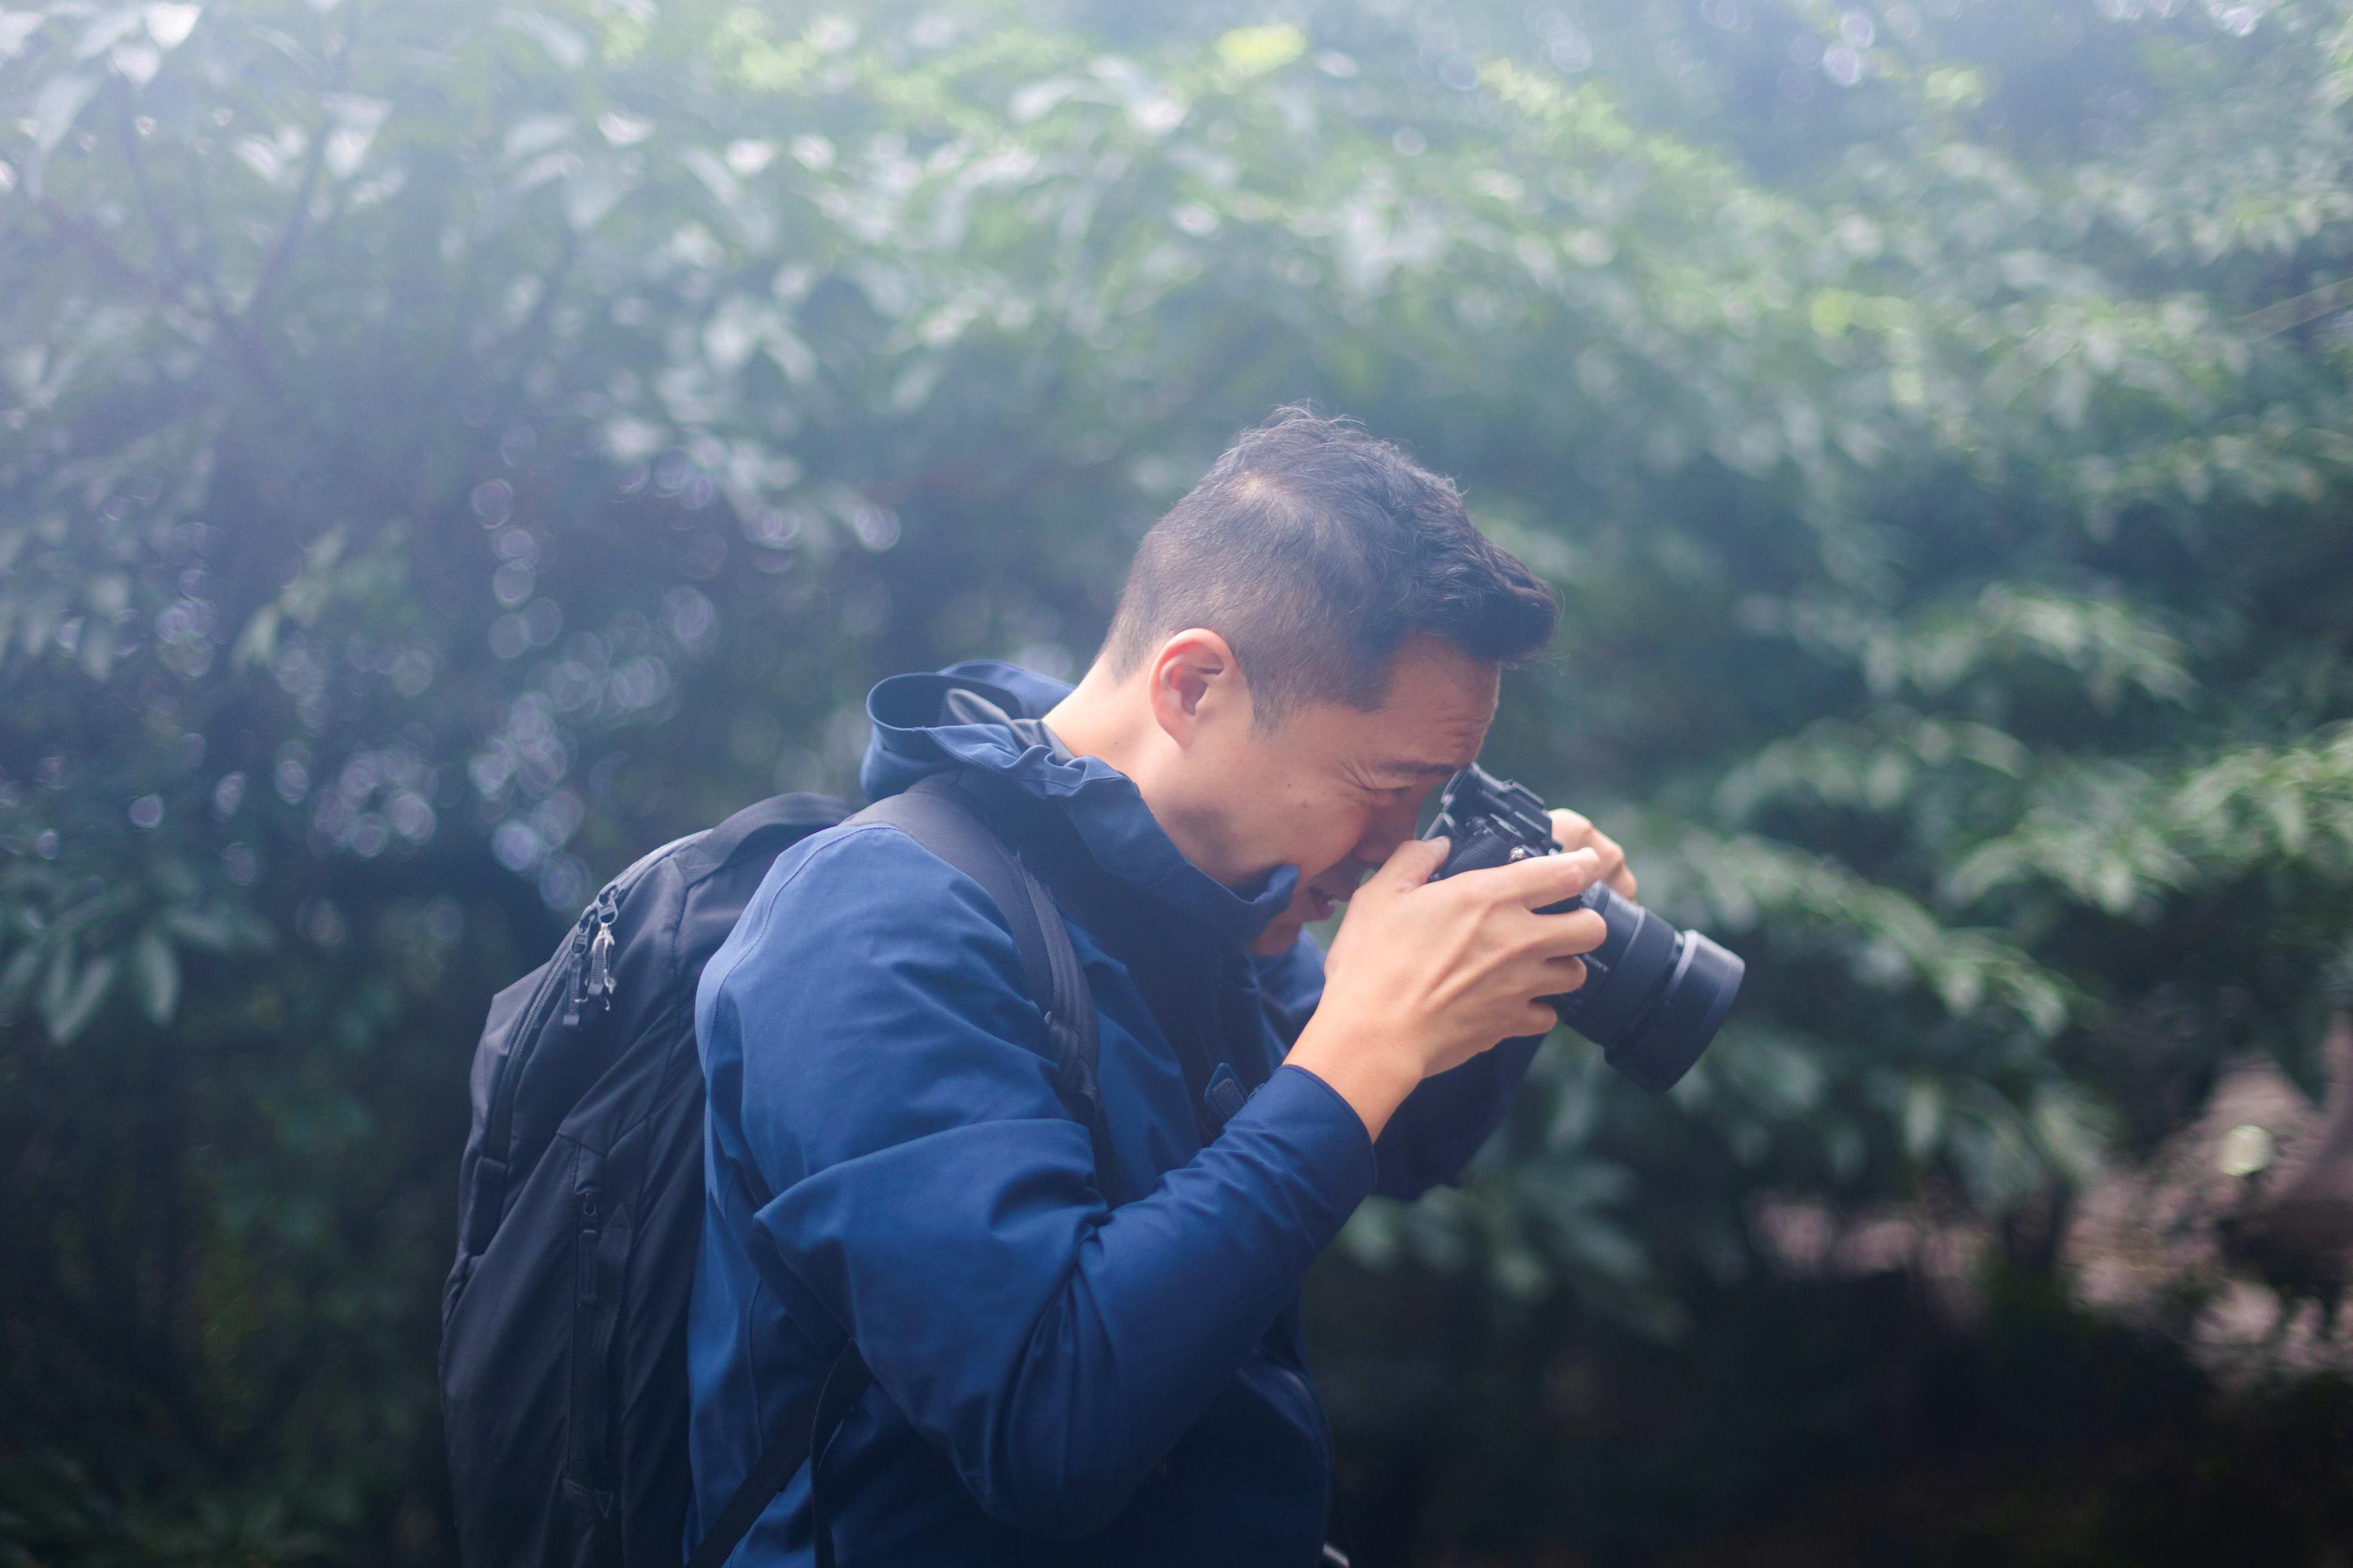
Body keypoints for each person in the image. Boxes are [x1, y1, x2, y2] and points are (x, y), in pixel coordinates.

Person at [686, 406, 1637, 1565]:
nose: (1401, 846)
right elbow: (1049, 1421)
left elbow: (1391, 1140)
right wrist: (1355, 1047)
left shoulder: (1191, 904)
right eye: (1386, 787)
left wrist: (1508, 949)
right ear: (1193, 688)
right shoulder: (871, 925)